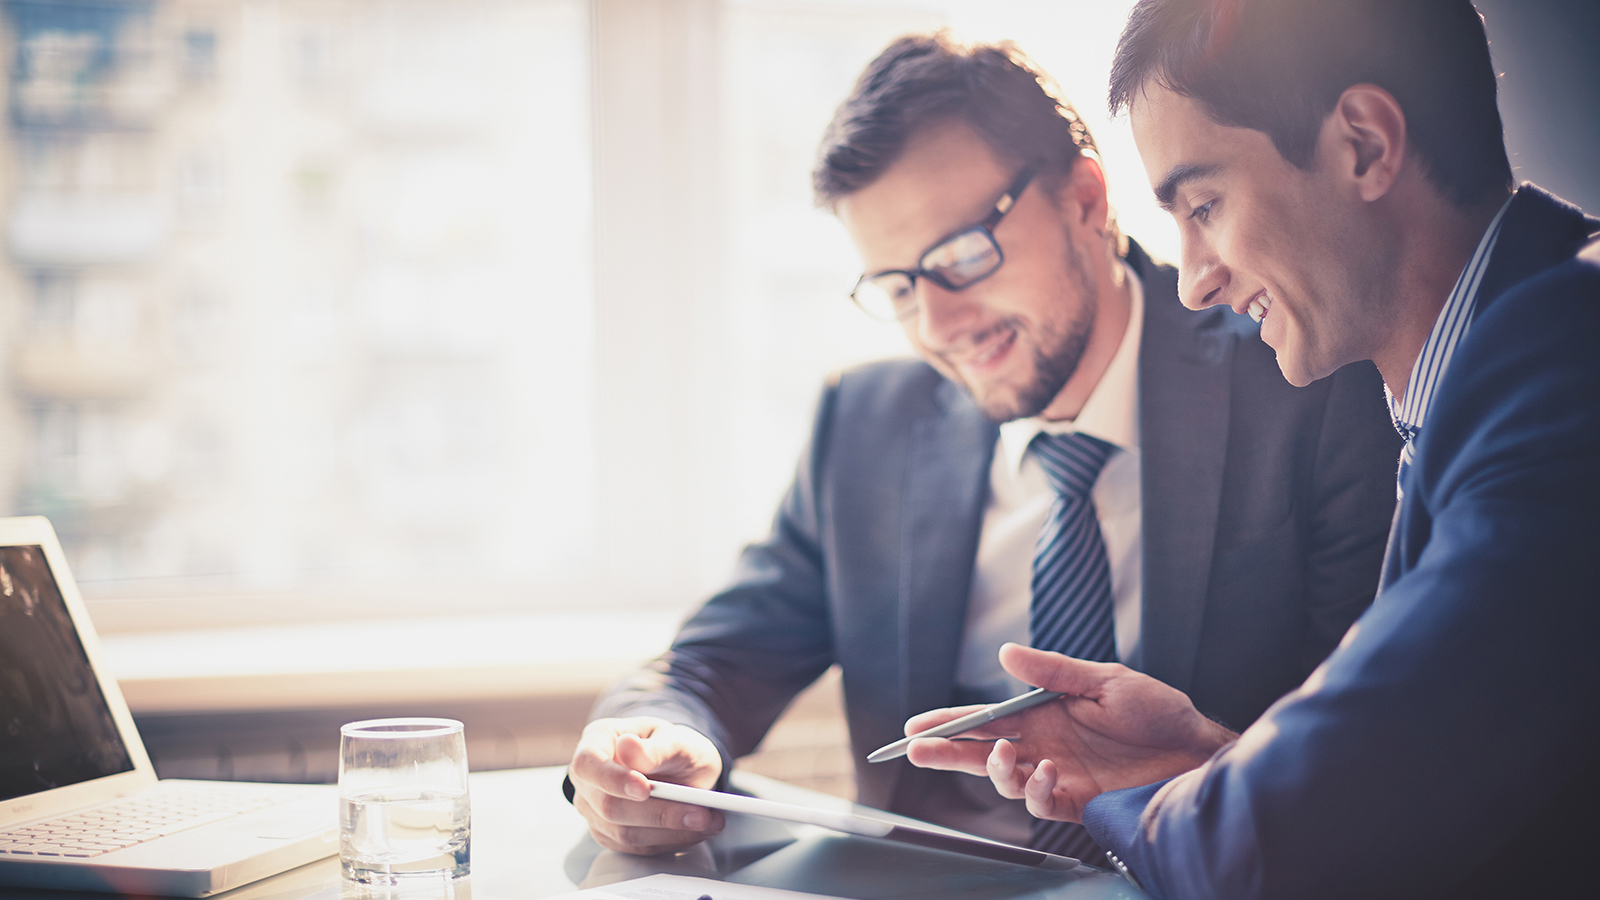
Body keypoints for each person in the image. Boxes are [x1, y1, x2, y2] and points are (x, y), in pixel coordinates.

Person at [565, 32, 1400, 862]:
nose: (937, 325)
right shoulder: (865, 425)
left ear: (1084, 198)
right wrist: (646, 740)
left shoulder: (1303, 381)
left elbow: (1365, 756)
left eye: (962, 255)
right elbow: (713, 660)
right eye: (897, 286)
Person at [903, 1, 1600, 896]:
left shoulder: (1562, 362)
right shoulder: (1489, 371)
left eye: (1205, 204)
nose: (1194, 283)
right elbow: (1425, 803)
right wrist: (1211, 759)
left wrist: (1167, 795)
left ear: (1364, 146)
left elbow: (1272, 844)